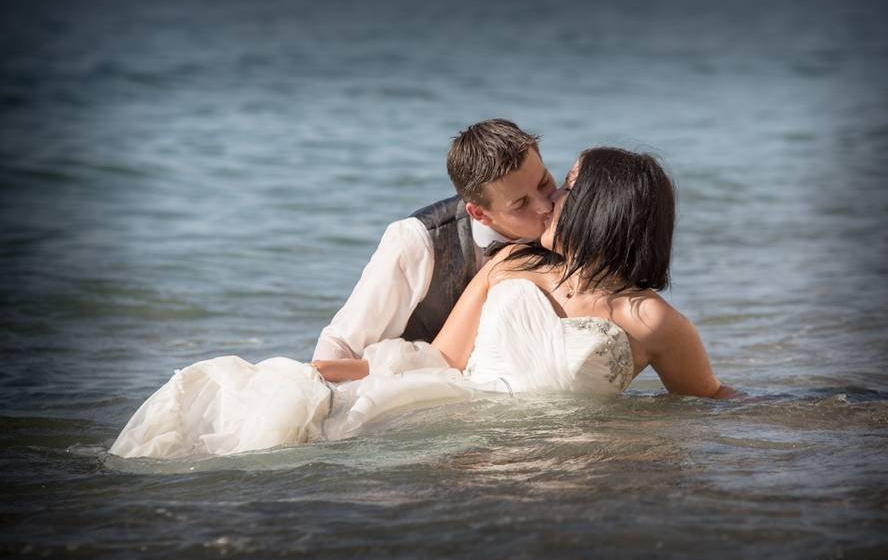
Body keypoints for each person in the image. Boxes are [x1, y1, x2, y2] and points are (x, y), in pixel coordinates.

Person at [109, 147, 734, 460]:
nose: (550, 202)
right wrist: (328, 371)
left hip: (561, 456)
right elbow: (440, 359)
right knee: (274, 430)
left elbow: (708, 404)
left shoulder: (651, 321)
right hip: (456, 419)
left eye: (565, 189)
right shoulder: (513, 263)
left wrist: (817, 413)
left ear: (605, 208)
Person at [312, 119, 557, 361]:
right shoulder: (416, 241)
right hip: (415, 384)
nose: (545, 205)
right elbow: (344, 341)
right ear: (480, 214)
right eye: (521, 204)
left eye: (544, 182)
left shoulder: (571, 222)